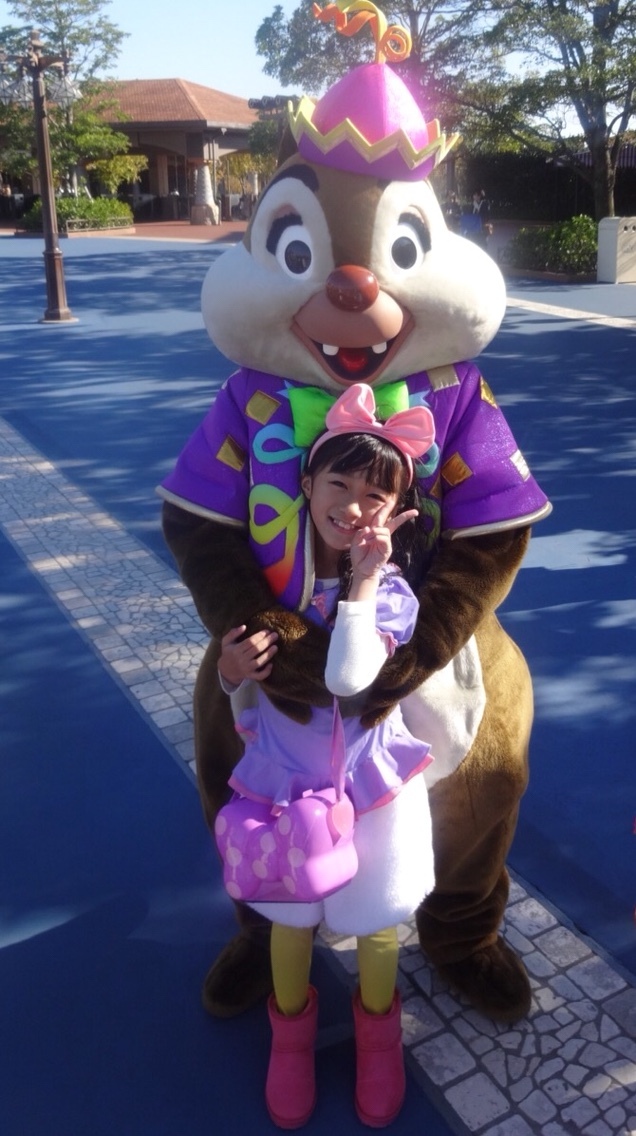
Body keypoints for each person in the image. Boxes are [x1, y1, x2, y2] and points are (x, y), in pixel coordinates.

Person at [215, 382, 436, 1130]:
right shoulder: (273, 581)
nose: (353, 506)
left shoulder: (394, 596)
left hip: (373, 785)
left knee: (377, 920)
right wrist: (231, 671)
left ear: (397, 509)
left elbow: (346, 677)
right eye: (339, 483)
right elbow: (244, 690)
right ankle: (290, 1038)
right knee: (290, 916)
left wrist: (366, 578)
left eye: (376, 496)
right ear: (306, 483)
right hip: (284, 781)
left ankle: (378, 1038)